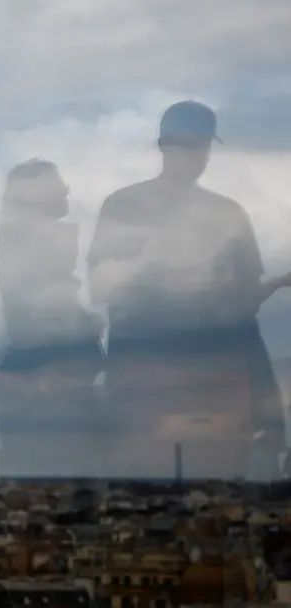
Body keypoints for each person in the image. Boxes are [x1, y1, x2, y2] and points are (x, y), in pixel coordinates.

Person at [87, 101, 290, 480]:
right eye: (183, 145)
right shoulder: (124, 207)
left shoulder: (229, 214)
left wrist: (276, 284)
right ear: (163, 146)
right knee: (145, 491)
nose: (193, 155)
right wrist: (153, 263)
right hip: (146, 377)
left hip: (215, 380)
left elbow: (243, 309)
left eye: (199, 146)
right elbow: (100, 286)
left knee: (214, 491)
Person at [0, 159, 105, 478]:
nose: (65, 199)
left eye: (63, 190)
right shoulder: (28, 244)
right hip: (49, 387)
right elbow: (34, 316)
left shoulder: (25, 242)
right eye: (57, 192)